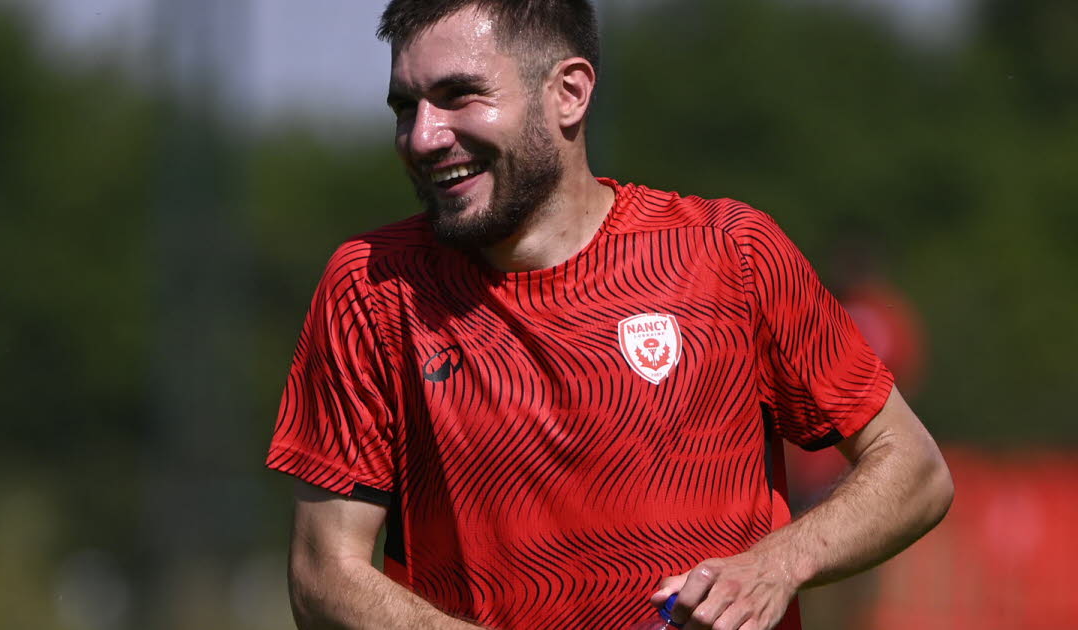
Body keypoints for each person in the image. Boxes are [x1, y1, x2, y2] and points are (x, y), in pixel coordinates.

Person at [267, 1, 954, 629]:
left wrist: (774, 565)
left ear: (569, 92)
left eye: (458, 97)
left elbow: (915, 469)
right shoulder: (372, 286)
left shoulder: (727, 253)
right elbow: (323, 574)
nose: (422, 137)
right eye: (405, 107)